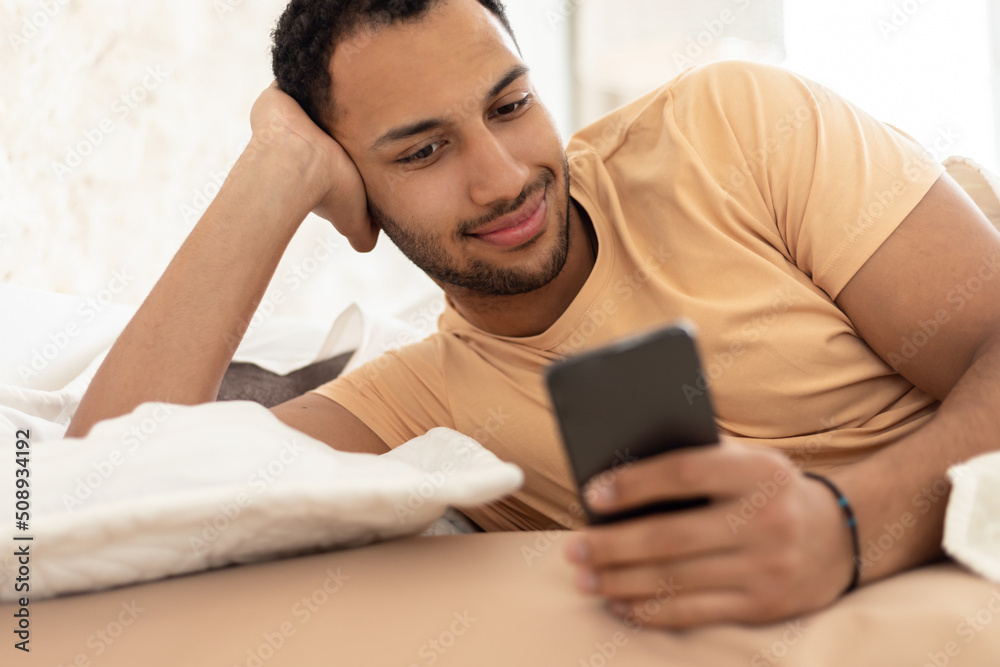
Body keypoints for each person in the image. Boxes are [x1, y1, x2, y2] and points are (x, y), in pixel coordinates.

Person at [66, 0, 1000, 630]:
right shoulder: (421, 404)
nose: (504, 177)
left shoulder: (735, 128)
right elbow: (106, 483)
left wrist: (842, 529)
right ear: (349, 187)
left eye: (510, 104)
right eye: (423, 151)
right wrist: (272, 174)